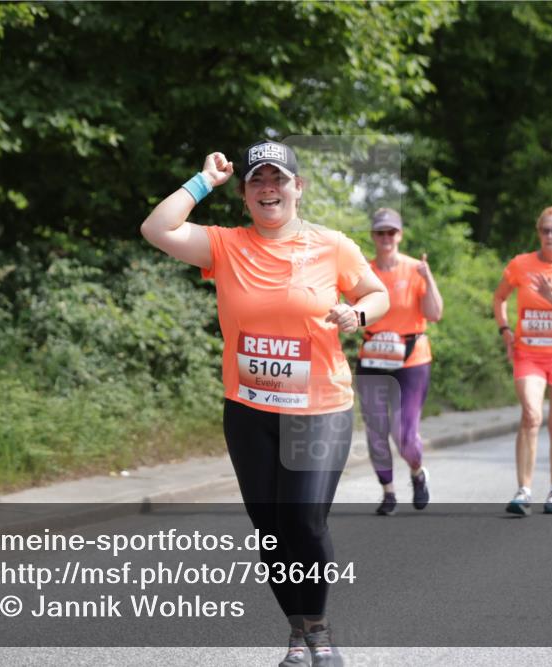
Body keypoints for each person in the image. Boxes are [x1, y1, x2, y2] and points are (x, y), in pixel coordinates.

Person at [140, 140, 389, 666]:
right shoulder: (226, 245)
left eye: (279, 179)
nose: (268, 188)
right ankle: (297, 633)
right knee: (271, 532)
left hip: (319, 407)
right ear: (246, 194)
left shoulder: (332, 245)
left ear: (298, 188)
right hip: (249, 410)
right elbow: (157, 229)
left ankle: (319, 630)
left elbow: (376, 293)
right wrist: (204, 181)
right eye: (258, 181)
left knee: (303, 521)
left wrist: (358, 315)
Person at [492, 206, 552, 516]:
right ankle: (524, 491)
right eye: (545, 230)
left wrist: (551, 297)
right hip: (529, 354)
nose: (550, 236)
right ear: (539, 232)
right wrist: (505, 330)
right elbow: (499, 298)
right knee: (531, 415)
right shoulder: (521, 264)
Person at [356, 208, 444, 516]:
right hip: (373, 357)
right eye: (380, 233)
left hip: (412, 359)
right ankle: (388, 492)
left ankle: (418, 473)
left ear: (400, 235)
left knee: (405, 434)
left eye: (391, 232)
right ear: (373, 236)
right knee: (376, 428)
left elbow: (434, 314)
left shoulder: (415, 268)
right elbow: (349, 311)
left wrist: (428, 276)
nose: (386, 238)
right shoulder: (362, 271)